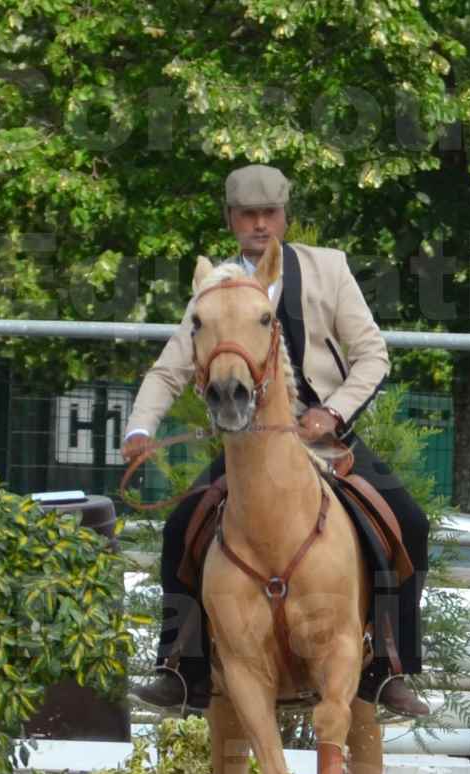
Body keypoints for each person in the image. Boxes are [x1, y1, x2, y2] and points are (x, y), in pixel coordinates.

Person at [121, 164, 429, 718]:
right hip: (248, 444)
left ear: (285, 215)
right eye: (247, 215)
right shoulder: (213, 287)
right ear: (231, 220)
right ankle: (180, 669)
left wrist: (332, 413)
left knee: (408, 521)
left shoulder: (328, 269)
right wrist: (141, 427)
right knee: (178, 528)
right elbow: (169, 369)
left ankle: (390, 669)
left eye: (269, 213)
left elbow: (372, 354)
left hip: (331, 442)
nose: (260, 224)